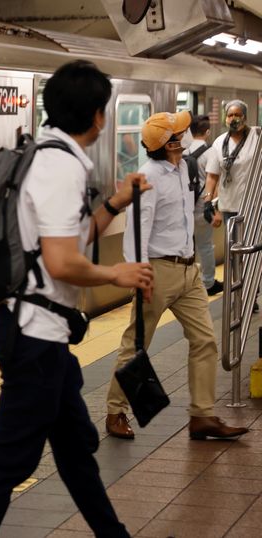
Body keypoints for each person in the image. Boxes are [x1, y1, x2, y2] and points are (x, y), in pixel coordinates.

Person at [0, 60, 153, 537]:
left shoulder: (42, 154)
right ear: (97, 116)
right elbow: (62, 262)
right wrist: (117, 273)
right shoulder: (62, 166)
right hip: (36, 339)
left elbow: (65, 239)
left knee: (75, 451)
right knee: (8, 462)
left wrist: (113, 203)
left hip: (37, 331)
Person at [105, 111, 249, 442]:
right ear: (169, 142)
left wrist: (206, 209)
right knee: (136, 343)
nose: (185, 135)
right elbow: (137, 231)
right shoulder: (148, 177)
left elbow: (186, 211)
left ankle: (202, 416)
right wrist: (139, 274)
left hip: (188, 270)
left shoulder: (184, 167)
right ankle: (115, 411)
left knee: (205, 341)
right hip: (157, 271)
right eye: (179, 133)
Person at [204, 99, 260, 312]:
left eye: (237, 114)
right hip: (229, 208)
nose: (233, 119)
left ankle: (251, 292)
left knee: (250, 253)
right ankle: (238, 293)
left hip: (254, 206)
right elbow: (211, 177)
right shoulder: (219, 143)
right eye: (230, 115)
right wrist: (209, 201)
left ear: (245, 117)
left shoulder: (257, 138)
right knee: (234, 253)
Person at [185, 114, 222, 295]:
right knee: (205, 246)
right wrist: (213, 208)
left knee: (186, 248)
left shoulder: (183, 150)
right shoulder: (211, 152)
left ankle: (186, 283)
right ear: (207, 132)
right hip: (202, 207)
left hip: (184, 208)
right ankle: (208, 283)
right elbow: (212, 180)